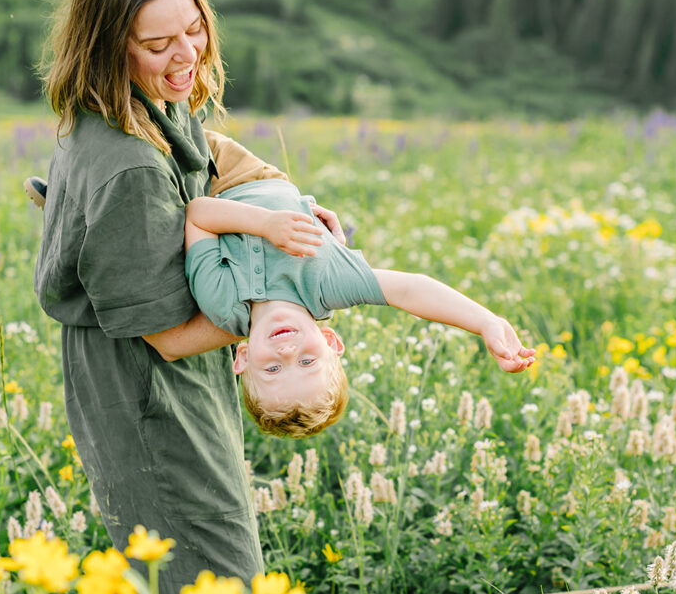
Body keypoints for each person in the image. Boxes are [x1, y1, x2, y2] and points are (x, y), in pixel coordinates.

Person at [33, 0, 288, 594]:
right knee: (217, 588)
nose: (186, 56)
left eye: (194, 29)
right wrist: (284, 304)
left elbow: (202, 151)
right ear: (109, 45)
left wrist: (276, 199)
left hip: (141, 376)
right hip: (150, 391)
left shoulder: (127, 106)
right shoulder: (129, 166)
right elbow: (170, 337)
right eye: (157, 45)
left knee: (175, 587)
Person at [181, 178, 536, 437]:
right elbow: (410, 290)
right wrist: (485, 322)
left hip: (218, 178)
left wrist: (264, 224)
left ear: (241, 359)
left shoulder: (220, 300)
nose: (287, 351)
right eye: (306, 362)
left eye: (273, 368)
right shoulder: (328, 286)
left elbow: (197, 213)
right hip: (262, 173)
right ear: (331, 341)